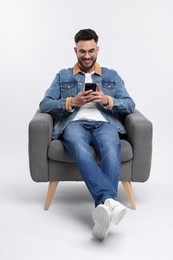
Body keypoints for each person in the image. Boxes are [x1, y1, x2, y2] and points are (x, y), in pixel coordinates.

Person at [39, 29, 135, 240]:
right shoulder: (63, 75)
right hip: (75, 124)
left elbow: (129, 104)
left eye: (91, 51)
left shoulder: (111, 75)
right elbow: (44, 104)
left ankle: (103, 212)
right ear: (75, 50)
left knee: (111, 148)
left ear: (97, 49)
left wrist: (107, 100)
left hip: (105, 124)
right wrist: (71, 102)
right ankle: (109, 202)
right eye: (82, 51)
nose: (87, 56)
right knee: (81, 150)